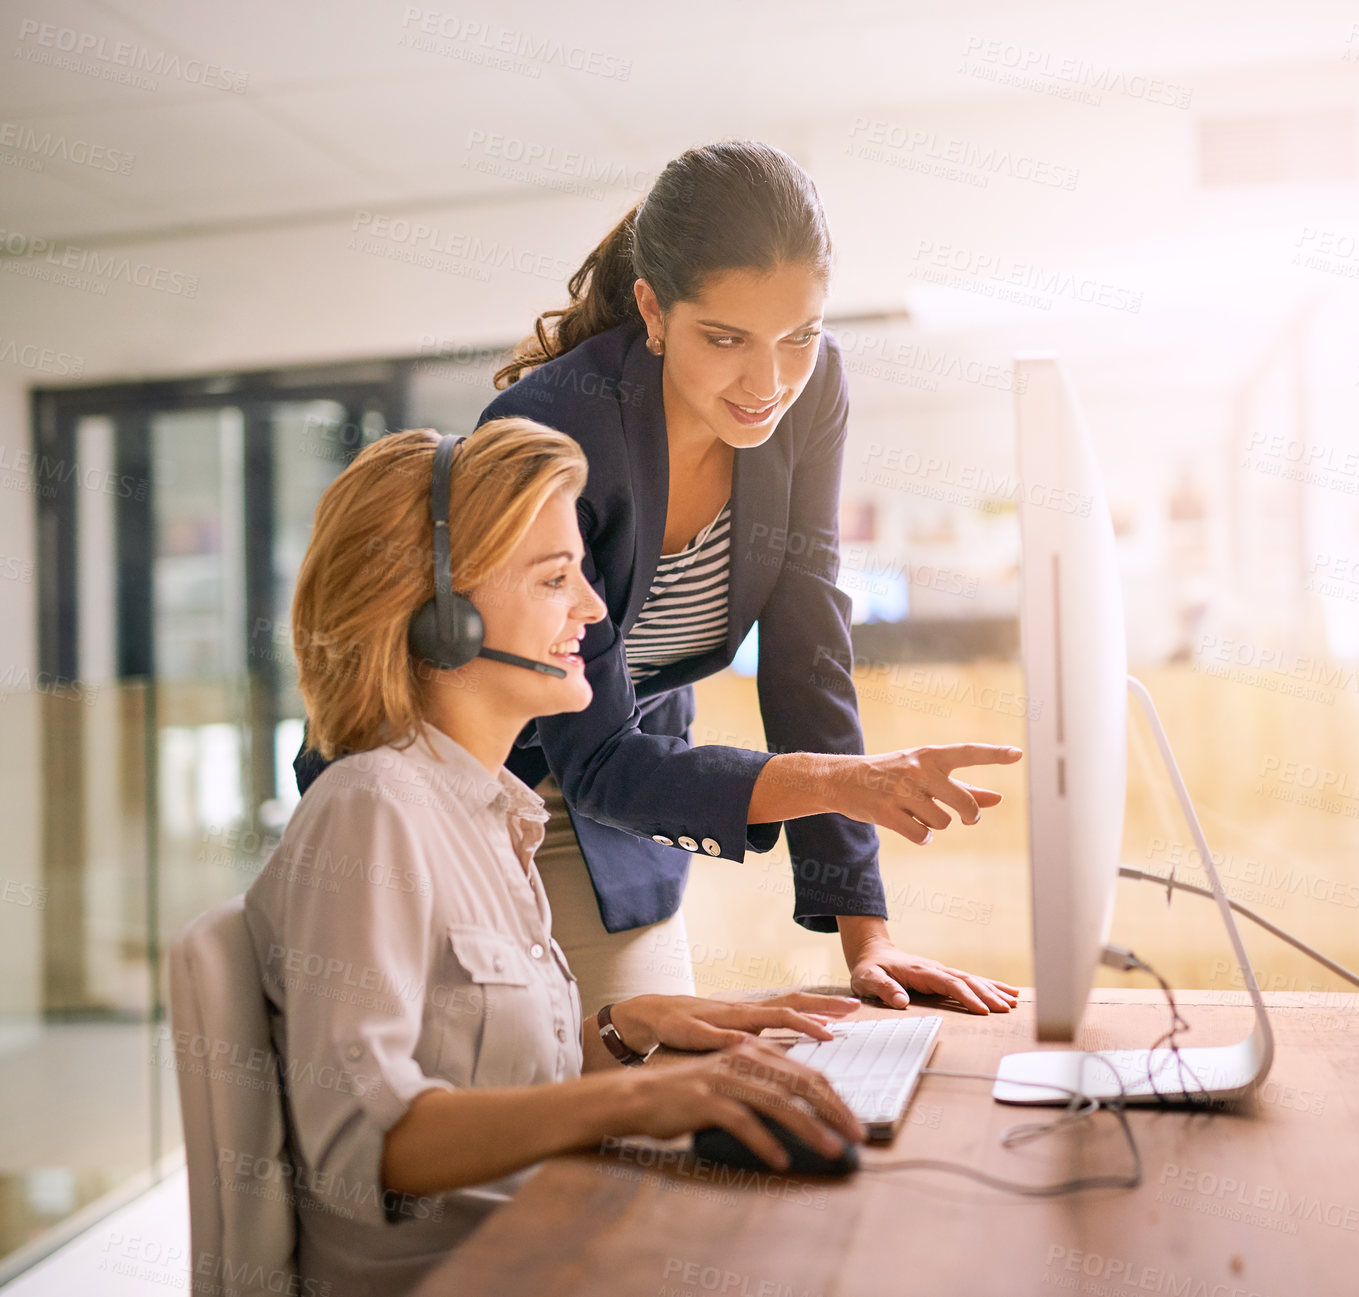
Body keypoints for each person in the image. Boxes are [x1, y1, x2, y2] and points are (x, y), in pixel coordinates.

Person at [297, 139, 1022, 1018]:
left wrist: (868, 934)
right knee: (547, 1080)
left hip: (627, 783)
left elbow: (809, 656)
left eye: (800, 335)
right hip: (461, 778)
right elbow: (592, 753)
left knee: (651, 1071)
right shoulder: (558, 426)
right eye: (726, 339)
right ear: (653, 307)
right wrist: (835, 781)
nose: (770, 381)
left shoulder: (809, 388)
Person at [248, 420, 865, 1297]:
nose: (595, 606)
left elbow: (488, 1082)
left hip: (556, 1239)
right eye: (554, 577)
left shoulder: (489, 812)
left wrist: (632, 1027)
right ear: (442, 616)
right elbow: (368, 1139)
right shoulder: (370, 809)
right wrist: (638, 1101)